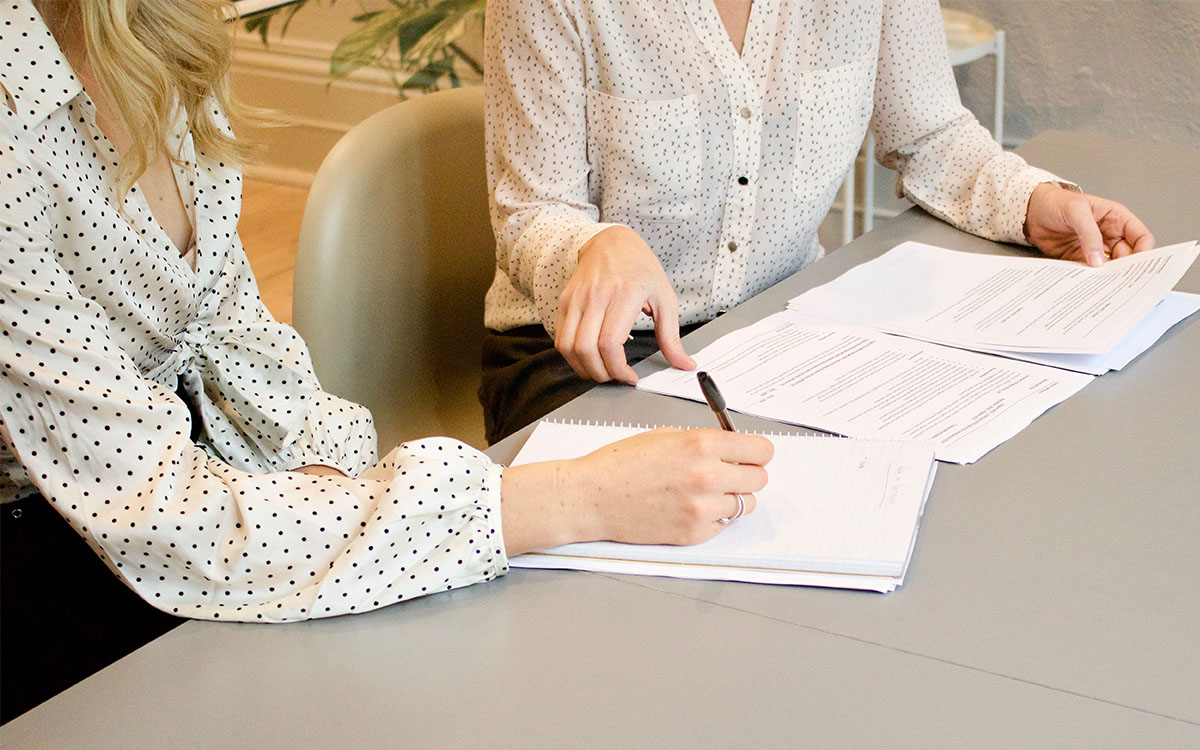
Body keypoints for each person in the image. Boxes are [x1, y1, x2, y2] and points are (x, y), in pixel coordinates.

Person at [0, 0, 774, 722]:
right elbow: (164, 517)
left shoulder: (160, 35)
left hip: (191, 492)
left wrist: (333, 482)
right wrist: (575, 500)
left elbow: (237, 340)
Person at [478, 0, 1156, 444]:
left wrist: (1035, 201)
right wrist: (596, 246)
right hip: (582, 357)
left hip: (777, 335)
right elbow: (531, 211)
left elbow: (930, 134)